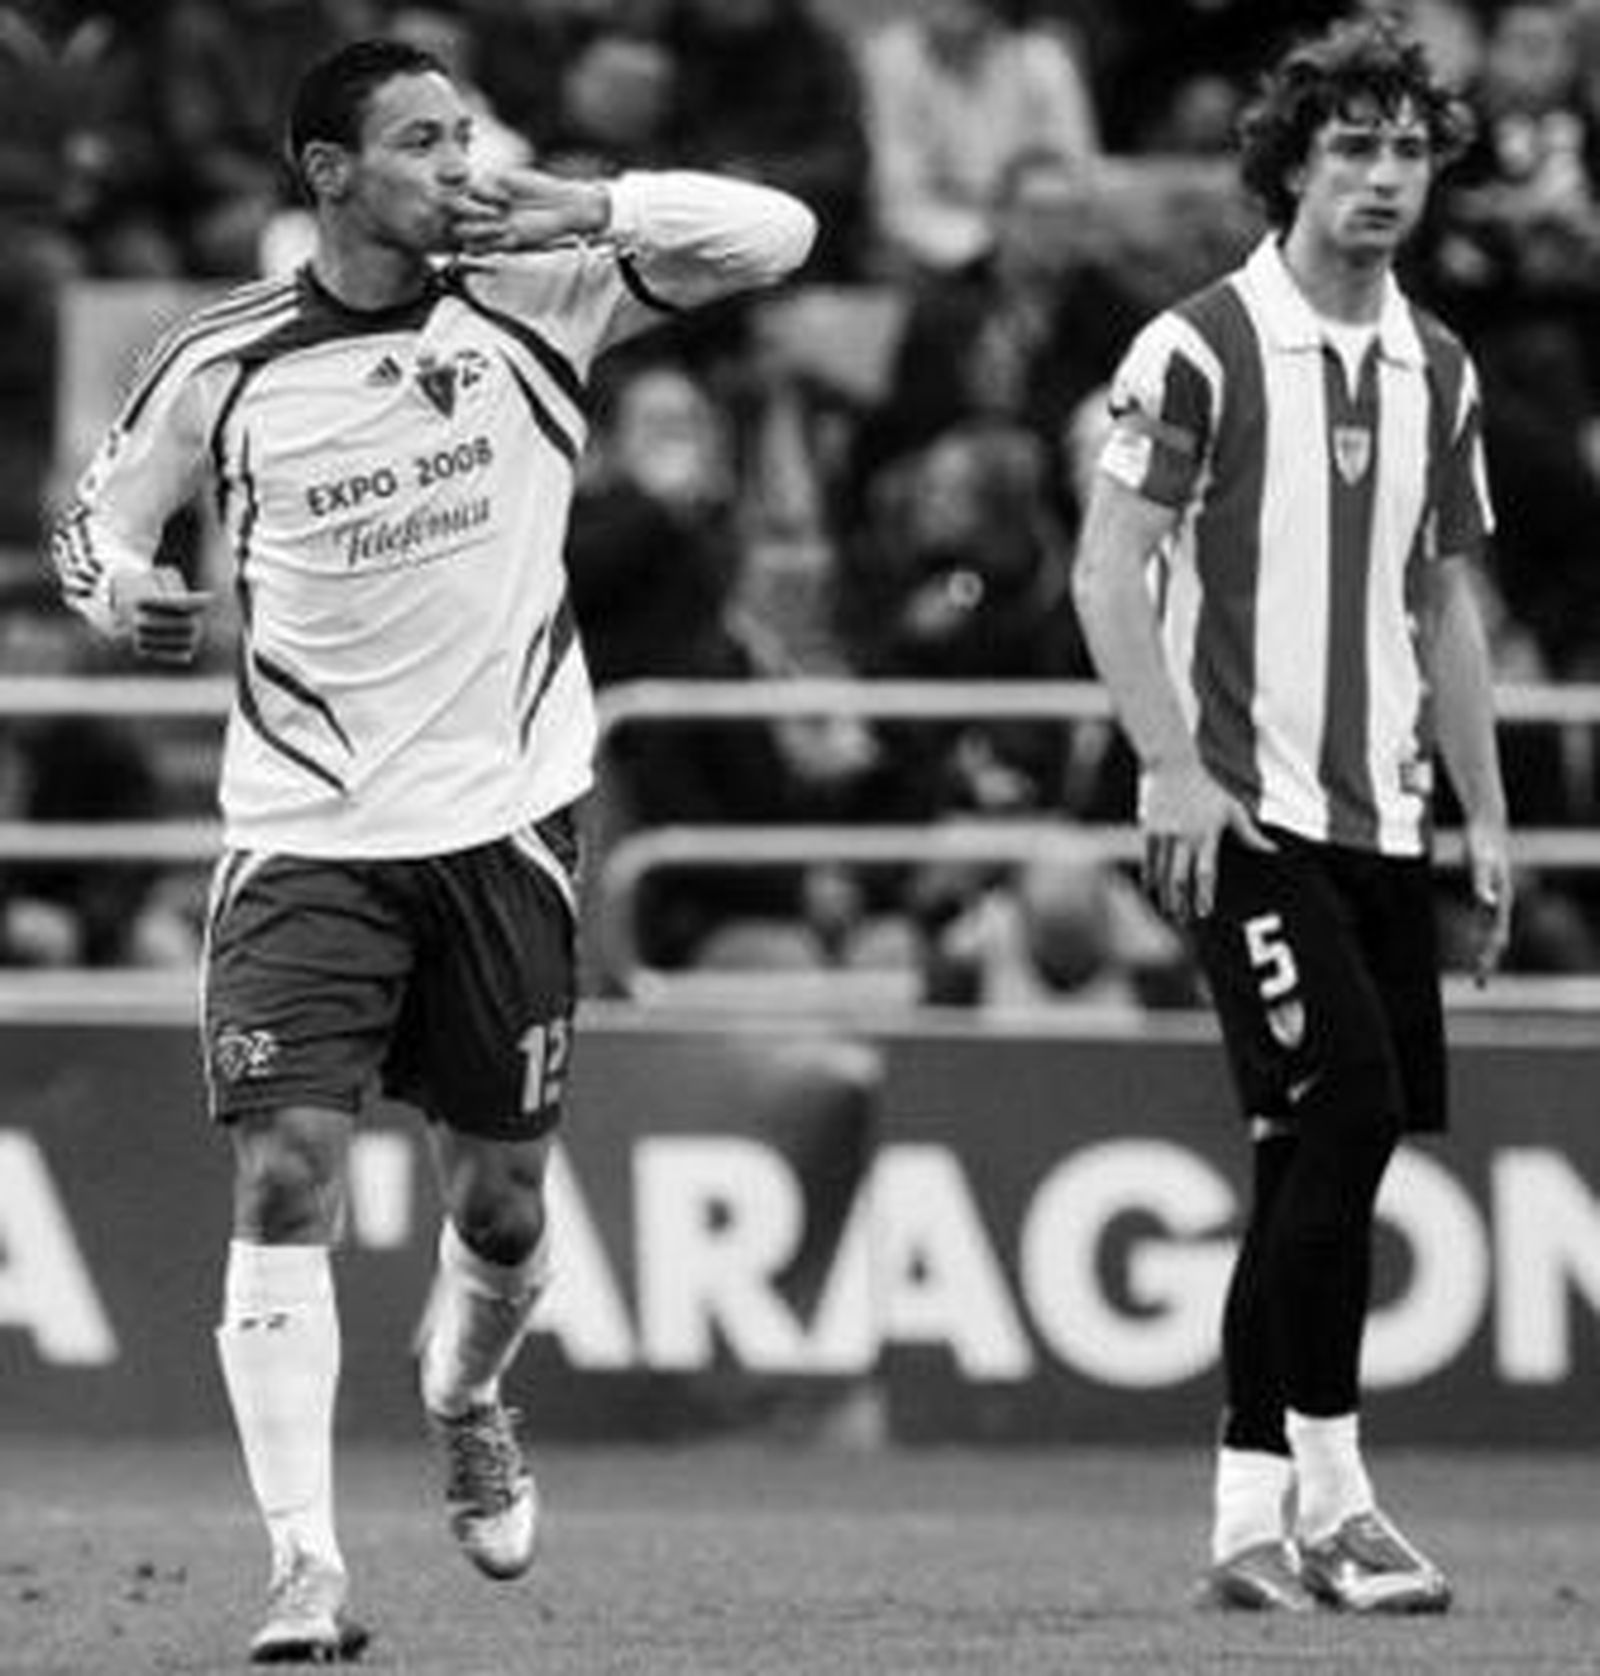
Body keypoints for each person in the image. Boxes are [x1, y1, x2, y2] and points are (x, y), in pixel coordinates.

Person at [50, 35, 815, 1663]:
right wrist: (126, 597)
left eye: (463, 134)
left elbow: (780, 237)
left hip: (502, 823)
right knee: (285, 1169)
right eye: (419, 140)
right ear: (329, 174)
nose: (457, 164)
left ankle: (464, 1396)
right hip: (303, 833)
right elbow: (93, 527)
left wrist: (587, 202)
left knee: (507, 1209)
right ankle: (304, 1570)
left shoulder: (544, 299)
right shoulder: (222, 359)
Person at [1071, 18, 1512, 1617]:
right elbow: (1107, 567)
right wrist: (1172, 766)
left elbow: (1443, 602)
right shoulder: (1199, 346)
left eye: (1409, 151)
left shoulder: (1440, 368)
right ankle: (1340, 1504)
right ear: (1293, 165)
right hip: (1244, 817)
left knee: (1311, 1155)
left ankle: (1250, 1519)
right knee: (1351, 1112)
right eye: (1354, 149)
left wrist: (1484, 806)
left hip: (1383, 818)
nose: (1384, 178)